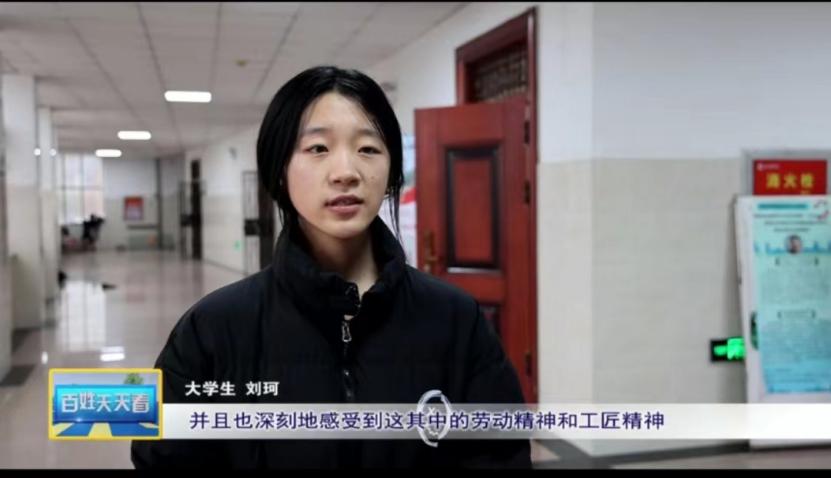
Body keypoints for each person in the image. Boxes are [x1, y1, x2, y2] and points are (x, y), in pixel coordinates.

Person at [131, 65, 530, 469]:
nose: (346, 173)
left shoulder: (455, 319)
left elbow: (501, 453)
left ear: (391, 171)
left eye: (368, 148)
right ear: (279, 171)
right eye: (318, 148)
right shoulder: (212, 328)